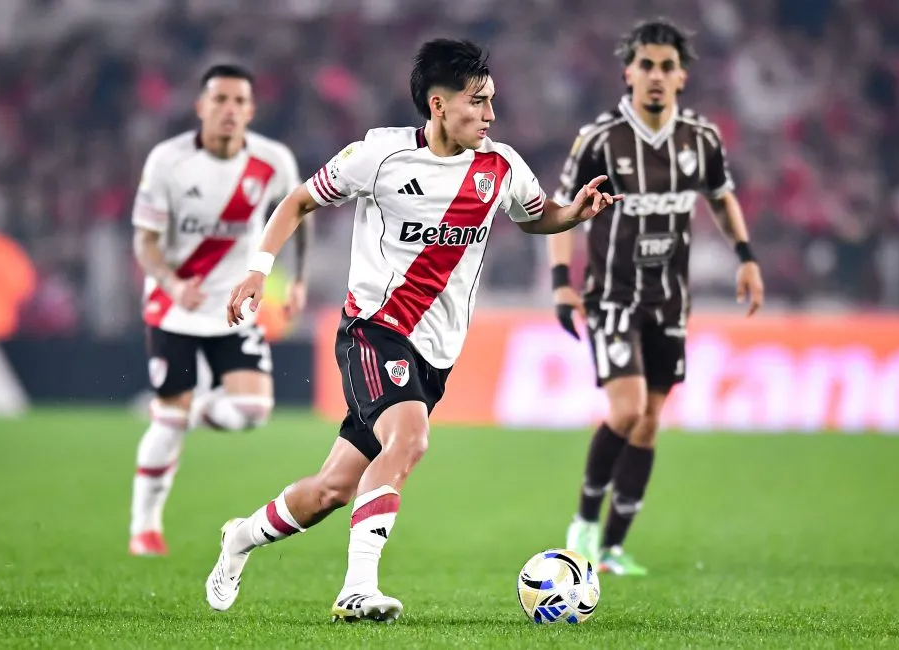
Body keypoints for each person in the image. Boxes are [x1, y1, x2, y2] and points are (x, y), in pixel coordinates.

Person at [205, 38, 621, 622]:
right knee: (410, 440)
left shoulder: (500, 167)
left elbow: (536, 216)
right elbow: (297, 202)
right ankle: (357, 588)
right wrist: (257, 270)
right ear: (438, 104)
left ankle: (239, 538)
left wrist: (572, 214)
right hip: (374, 330)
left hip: (436, 354)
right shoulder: (377, 156)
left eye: (492, 101)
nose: (491, 115)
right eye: (478, 102)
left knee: (332, 489)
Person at [549, 18, 765, 576]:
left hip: (671, 302)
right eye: (646, 64)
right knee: (625, 411)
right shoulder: (599, 139)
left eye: (667, 66)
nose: (656, 76)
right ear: (628, 71)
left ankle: (615, 547)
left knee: (649, 422)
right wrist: (560, 282)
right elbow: (561, 211)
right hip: (613, 298)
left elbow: (721, 197)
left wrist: (745, 257)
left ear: (682, 77)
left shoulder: (701, 138)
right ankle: (583, 525)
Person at [128, 64, 311, 556]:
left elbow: (300, 212)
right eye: (220, 100)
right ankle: (144, 528)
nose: (229, 109)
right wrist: (170, 281)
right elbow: (144, 241)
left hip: (234, 304)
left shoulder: (272, 160)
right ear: (201, 107)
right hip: (174, 308)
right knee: (167, 424)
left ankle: (184, 414)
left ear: (250, 110)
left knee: (252, 411)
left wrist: (298, 280)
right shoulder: (168, 161)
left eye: (238, 102)